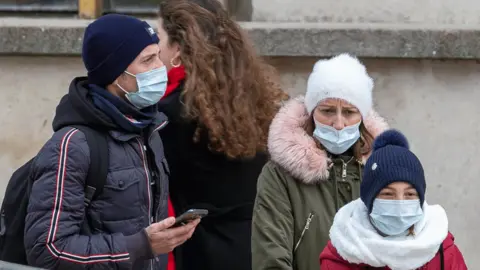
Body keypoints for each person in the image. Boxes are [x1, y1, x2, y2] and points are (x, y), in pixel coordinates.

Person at [24, 14, 199, 270]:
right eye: (147, 60)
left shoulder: (147, 128)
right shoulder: (72, 145)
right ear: (115, 75)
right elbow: (47, 249)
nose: (160, 68)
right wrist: (141, 245)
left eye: (158, 56)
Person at [155, 0, 288, 269]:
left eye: (158, 37)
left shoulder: (169, 113)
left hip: (198, 251)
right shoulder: (256, 102)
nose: (154, 48)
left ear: (177, 49)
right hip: (258, 245)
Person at [251, 53, 389, 270]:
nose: (338, 123)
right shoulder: (280, 176)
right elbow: (271, 259)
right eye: (327, 111)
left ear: (362, 116)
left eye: (350, 112)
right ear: (311, 112)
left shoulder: (384, 173)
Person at [320, 129, 468, 270]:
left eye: (410, 194)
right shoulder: (342, 254)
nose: (399, 203)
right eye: (388, 194)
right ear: (369, 200)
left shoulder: (441, 249)